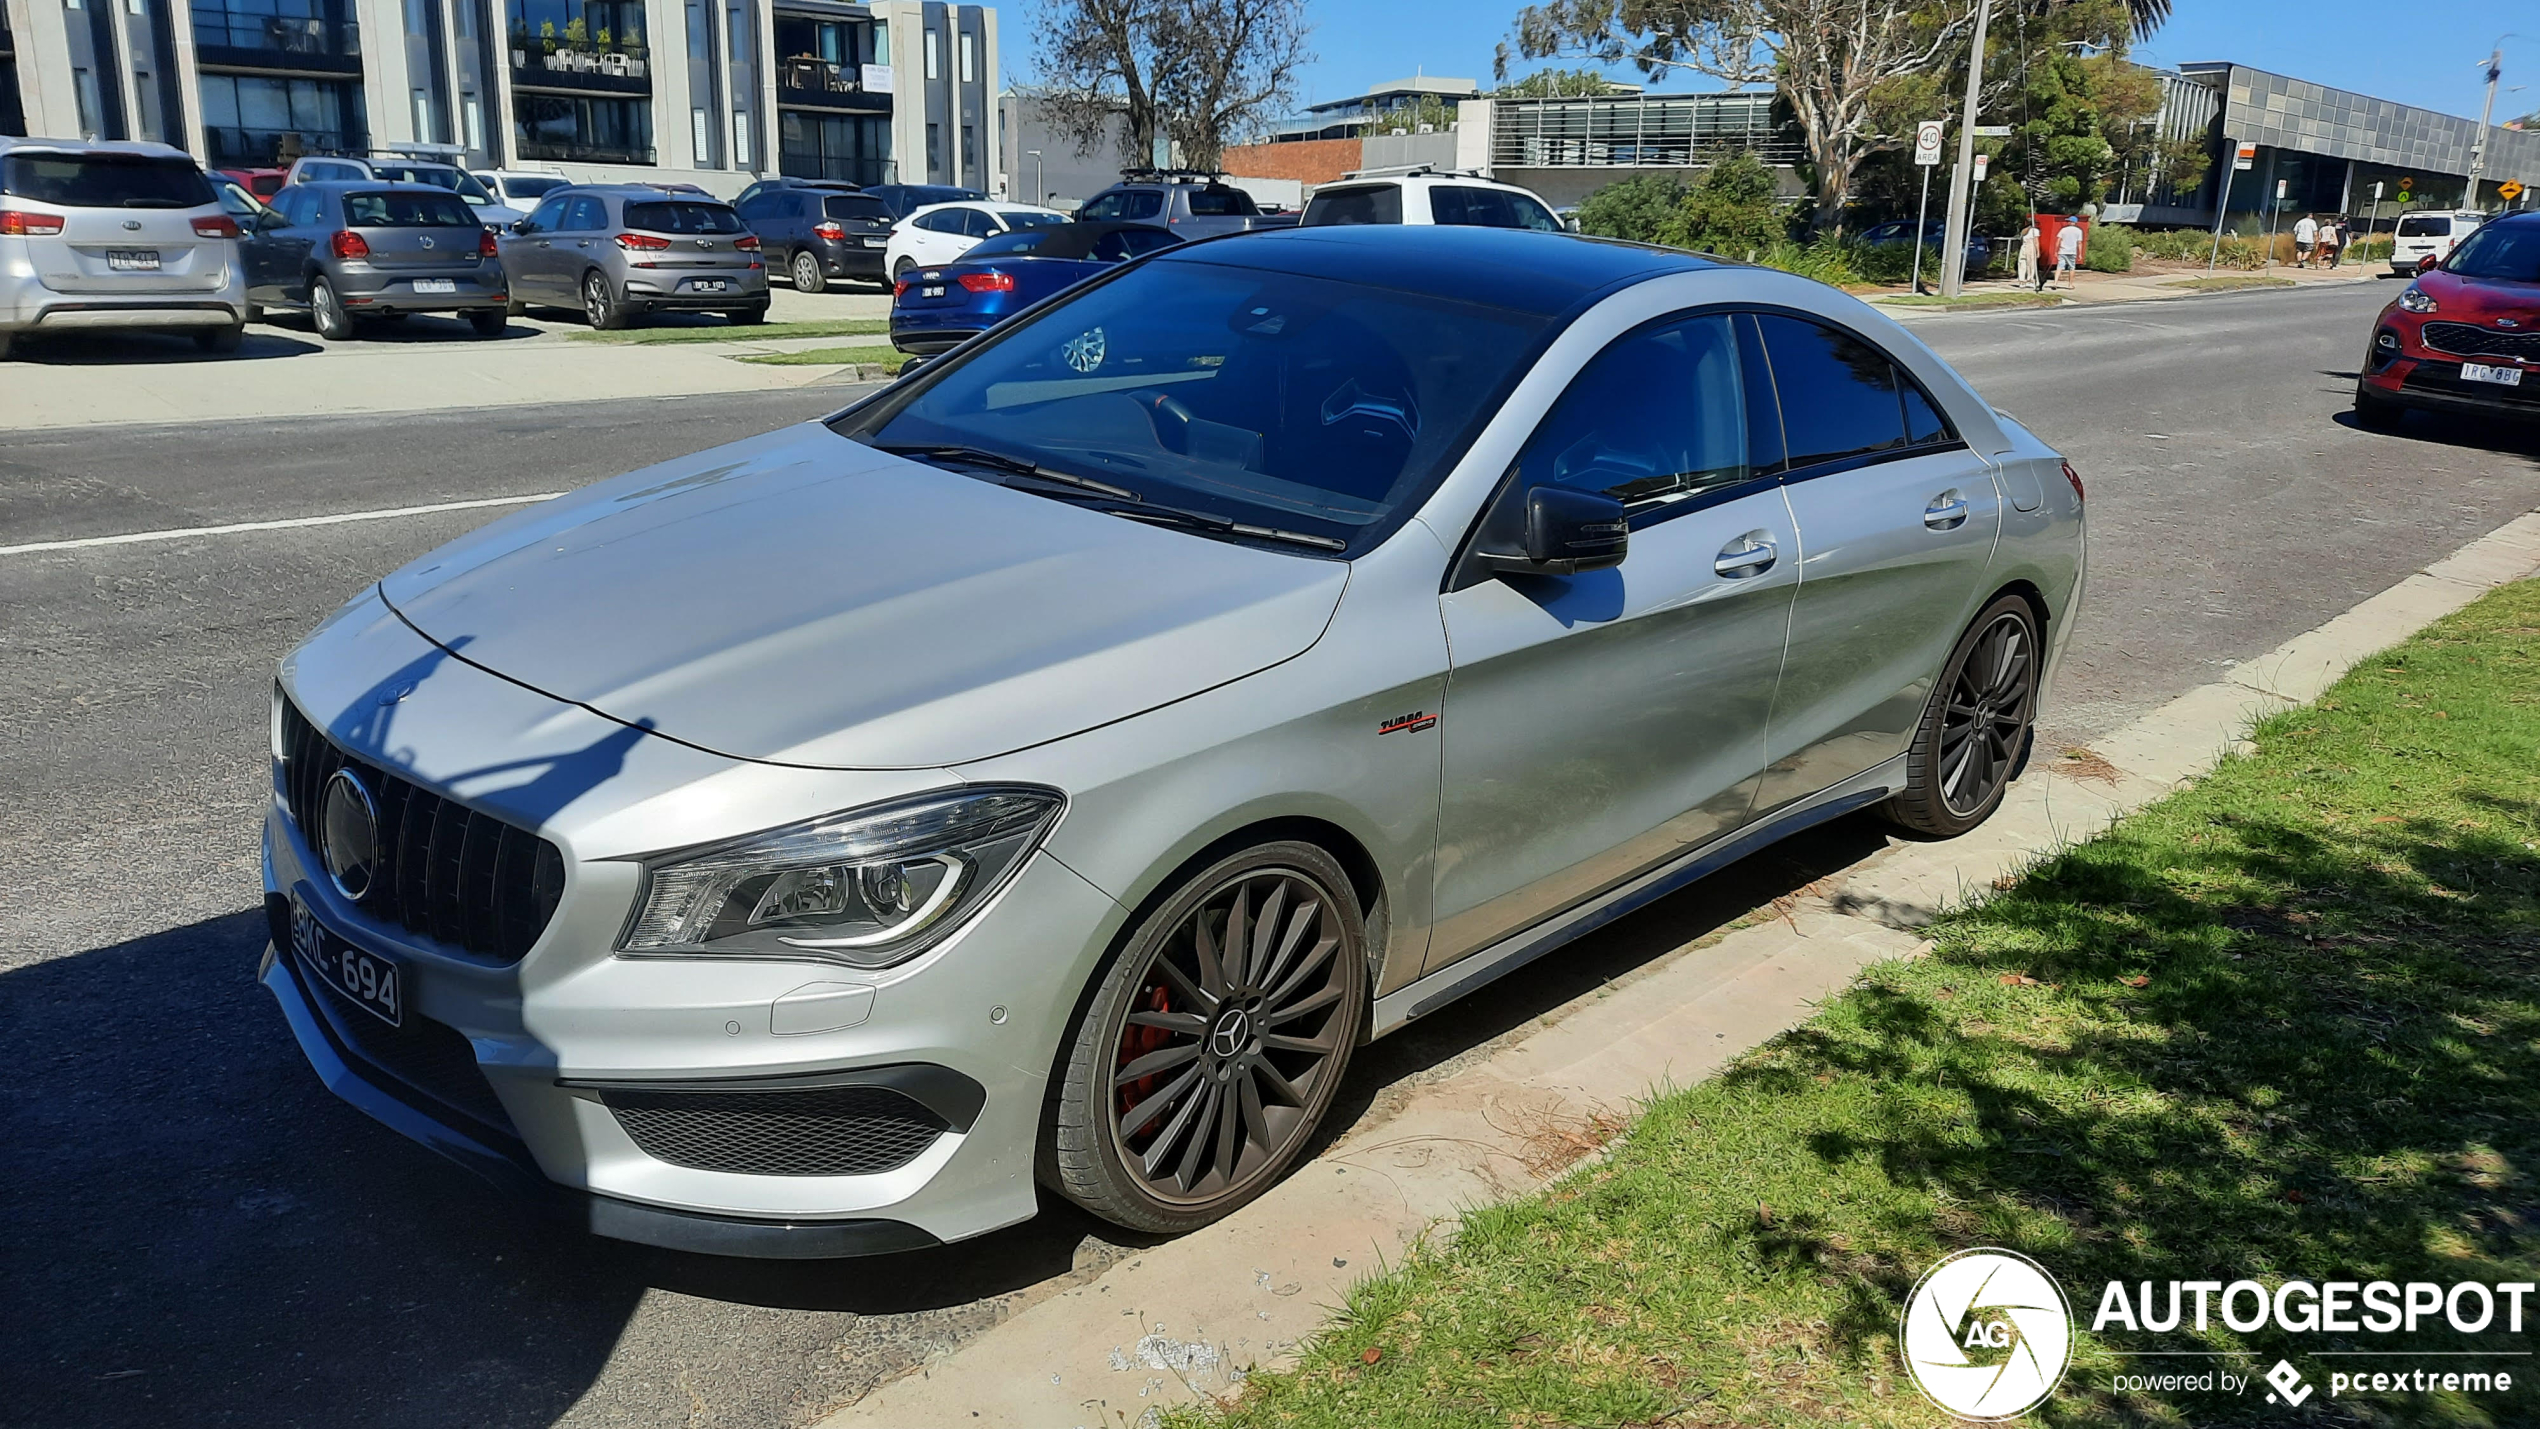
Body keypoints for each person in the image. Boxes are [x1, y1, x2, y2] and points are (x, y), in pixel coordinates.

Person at [2053, 220, 2081, 287]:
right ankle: (2070, 284)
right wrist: (2080, 254)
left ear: (2070, 222)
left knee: (2059, 267)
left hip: (2062, 251)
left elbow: (2058, 241)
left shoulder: (2063, 230)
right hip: (2072, 252)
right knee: (2072, 267)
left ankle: (2055, 283)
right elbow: (2079, 243)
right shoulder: (2079, 231)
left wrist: (2056, 251)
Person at [2017, 221, 2041, 291]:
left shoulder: (2023, 231)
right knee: (2031, 264)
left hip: (2023, 246)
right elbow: (2036, 242)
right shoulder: (2035, 231)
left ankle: (2021, 281)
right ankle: (2029, 280)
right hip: (2031, 246)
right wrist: (2038, 251)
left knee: (2022, 263)